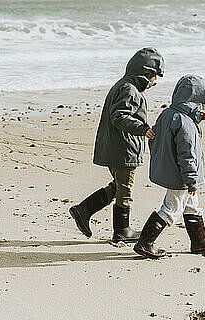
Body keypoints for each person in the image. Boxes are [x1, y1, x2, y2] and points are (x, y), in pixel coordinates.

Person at [69, 47, 165, 243]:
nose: (154, 82)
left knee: (119, 186)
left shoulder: (125, 85)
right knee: (125, 190)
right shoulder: (129, 89)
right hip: (123, 149)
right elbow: (119, 116)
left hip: (118, 147)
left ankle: (84, 209)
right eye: (154, 77)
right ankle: (122, 229)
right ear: (145, 73)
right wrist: (142, 129)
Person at [133, 74, 205, 258]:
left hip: (170, 170)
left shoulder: (166, 114)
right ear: (195, 100)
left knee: (192, 206)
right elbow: (187, 156)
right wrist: (191, 181)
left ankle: (199, 241)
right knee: (172, 208)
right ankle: (145, 242)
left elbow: (154, 141)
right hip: (181, 176)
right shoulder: (186, 123)